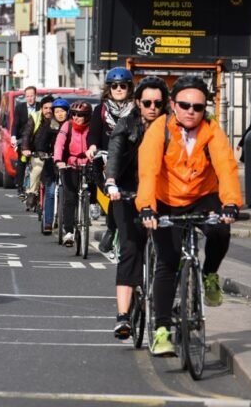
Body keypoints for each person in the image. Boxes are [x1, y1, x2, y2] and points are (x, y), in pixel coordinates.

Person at [136, 75, 242, 356]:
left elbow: (226, 167)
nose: (191, 111)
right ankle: (161, 332)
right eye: (185, 105)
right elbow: (148, 170)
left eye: (198, 106)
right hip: (165, 199)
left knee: (220, 229)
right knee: (168, 262)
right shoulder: (159, 130)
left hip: (202, 196)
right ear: (173, 105)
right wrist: (147, 207)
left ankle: (209, 275)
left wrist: (230, 203)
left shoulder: (212, 130)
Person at [103, 76, 170, 339]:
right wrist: (111, 181)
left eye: (158, 102)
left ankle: (170, 303)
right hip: (127, 191)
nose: (152, 107)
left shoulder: (172, 127)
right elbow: (116, 151)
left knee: (169, 249)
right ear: (138, 103)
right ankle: (123, 316)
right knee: (131, 248)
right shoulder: (126, 124)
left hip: (161, 194)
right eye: (147, 102)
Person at [87, 67, 135, 251]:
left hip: (129, 161)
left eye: (123, 86)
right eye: (114, 86)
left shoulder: (136, 111)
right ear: (109, 88)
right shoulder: (100, 110)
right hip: (106, 160)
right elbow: (93, 134)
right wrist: (92, 147)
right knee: (115, 196)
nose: (119, 89)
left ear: (129, 88)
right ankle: (111, 228)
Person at [54, 100, 94, 247]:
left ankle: (92, 207)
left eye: (81, 115)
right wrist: (59, 160)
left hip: (88, 162)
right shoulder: (67, 125)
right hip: (70, 164)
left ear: (87, 116)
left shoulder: (91, 127)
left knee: (94, 186)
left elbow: (98, 141)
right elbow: (59, 143)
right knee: (70, 198)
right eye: (74, 114)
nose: (76, 117)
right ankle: (69, 232)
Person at [34, 97, 70, 229]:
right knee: (50, 192)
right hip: (51, 164)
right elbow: (40, 142)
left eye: (62, 111)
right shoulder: (49, 126)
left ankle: (68, 223)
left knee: (69, 194)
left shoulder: (70, 125)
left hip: (67, 164)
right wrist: (42, 153)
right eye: (57, 111)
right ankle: (48, 222)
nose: (60, 114)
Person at [20, 95, 56, 211]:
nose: (48, 111)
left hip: (54, 154)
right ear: (41, 109)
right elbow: (26, 134)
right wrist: (25, 148)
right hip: (36, 151)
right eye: (45, 108)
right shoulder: (35, 117)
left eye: (51, 108)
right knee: (37, 168)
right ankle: (32, 193)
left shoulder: (57, 119)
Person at [12, 86, 39, 198]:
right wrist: (13, 137)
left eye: (31, 96)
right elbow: (15, 124)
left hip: (36, 138)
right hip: (22, 139)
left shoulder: (40, 107)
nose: (29, 98)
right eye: (27, 96)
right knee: (22, 161)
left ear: (35, 95)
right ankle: (19, 186)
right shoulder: (20, 107)